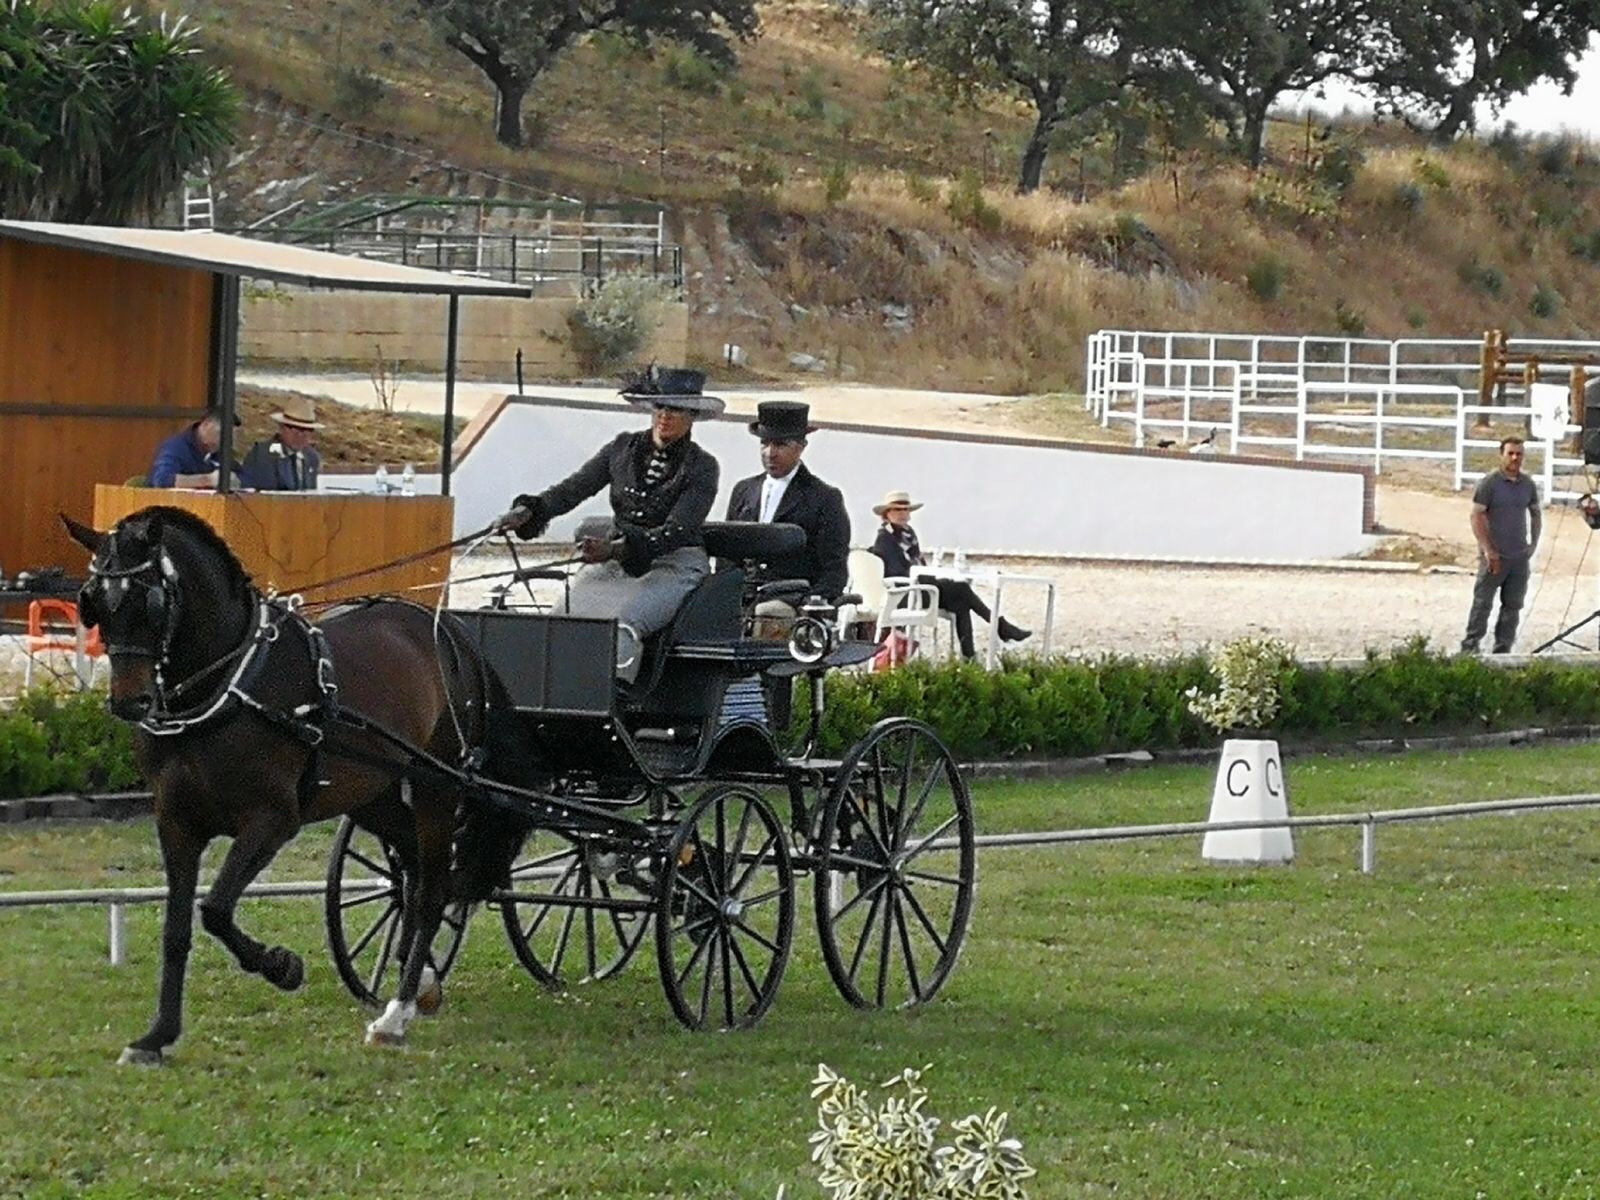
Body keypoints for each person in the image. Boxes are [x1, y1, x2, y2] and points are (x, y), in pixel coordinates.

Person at [494, 368, 722, 680]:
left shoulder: (703, 466)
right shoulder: (621, 449)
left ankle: (615, 702)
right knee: (562, 617)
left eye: (676, 409)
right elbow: (573, 489)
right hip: (612, 563)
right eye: (660, 407)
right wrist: (529, 511)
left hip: (673, 564)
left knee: (624, 623)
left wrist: (617, 549)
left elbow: (677, 530)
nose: (665, 416)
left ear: (692, 415)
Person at [724, 400, 850, 636]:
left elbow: (834, 569)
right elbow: (727, 557)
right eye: (765, 443)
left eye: (780, 444)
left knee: (770, 614)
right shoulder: (744, 491)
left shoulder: (823, 498)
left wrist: (810, 605)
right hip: (740, 598)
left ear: (801, 447)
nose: (770, 452)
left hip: (790, 601)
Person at [870, 489, 1030, 661]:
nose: (903, 514)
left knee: (961, 602)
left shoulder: (909, 534)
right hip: (904, 593)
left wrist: (929, 576)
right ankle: (1000, 628)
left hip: (923, 587)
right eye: (897, 510)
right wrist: (926, 576)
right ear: (887, 514)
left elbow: (919, 563)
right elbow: (898, 570)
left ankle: (970, 656)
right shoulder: (884, 538)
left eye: (905, 510)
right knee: (961, 589)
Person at [1462, 436, 1541, 654]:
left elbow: (1535, 513)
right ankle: (1470, 648)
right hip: (1494, 558)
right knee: (1482, 604)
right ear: (1502, 455)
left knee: (1513, 606)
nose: (1515, 458)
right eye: (1511, 453)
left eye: (1519, 454)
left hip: (1518, 559)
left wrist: (1533, 544)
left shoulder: (1528, 484)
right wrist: (1488, 549)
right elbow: (1476, 516)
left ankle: (1502, 649)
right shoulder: (1490, 483)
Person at [240, 396, 322, 492]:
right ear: (281, 428)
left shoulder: (311, 457)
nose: (300, 435)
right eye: (294, 428)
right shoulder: (262, 454)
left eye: (306, 430)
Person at [147, 406, 237, 488]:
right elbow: (160, 479)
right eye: (221, 434)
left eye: (229, 437)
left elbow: (245, 477)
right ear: (206, 425)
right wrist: (207, 480)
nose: (225, 441)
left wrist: (234, 480)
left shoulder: (219, 452)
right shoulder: (176, 447)